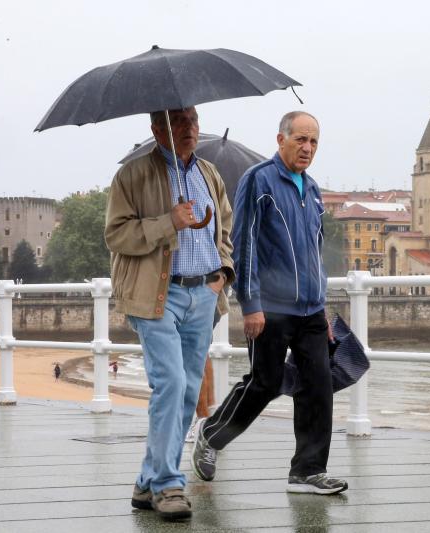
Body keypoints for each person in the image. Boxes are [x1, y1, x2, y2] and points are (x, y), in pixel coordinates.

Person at [192, 111, 347, 495]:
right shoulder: (258, 180)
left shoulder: (312, 190)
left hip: (310, 309)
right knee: (266, 382)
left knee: (319, 385)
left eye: (313, 141)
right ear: (281, 140)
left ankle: (307, 471)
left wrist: (324, 308)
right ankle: (211, 436)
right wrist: (251, 304)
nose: (307, 148)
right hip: (271, 308)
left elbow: (315, 250)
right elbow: (242, 244)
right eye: (300, 139)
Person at [105, 106, 234, 521]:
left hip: (203, 294)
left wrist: (222, 275)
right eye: (180, 121)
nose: (191, 128)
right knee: (171, 384)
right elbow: (116, 234)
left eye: (194, 120)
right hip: (156, 296)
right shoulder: (132, 176)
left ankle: (147, 480)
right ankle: (167, 484)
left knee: (187, 391)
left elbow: (225, 229)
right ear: (157, 128)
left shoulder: (209, 174)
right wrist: (168, 222)